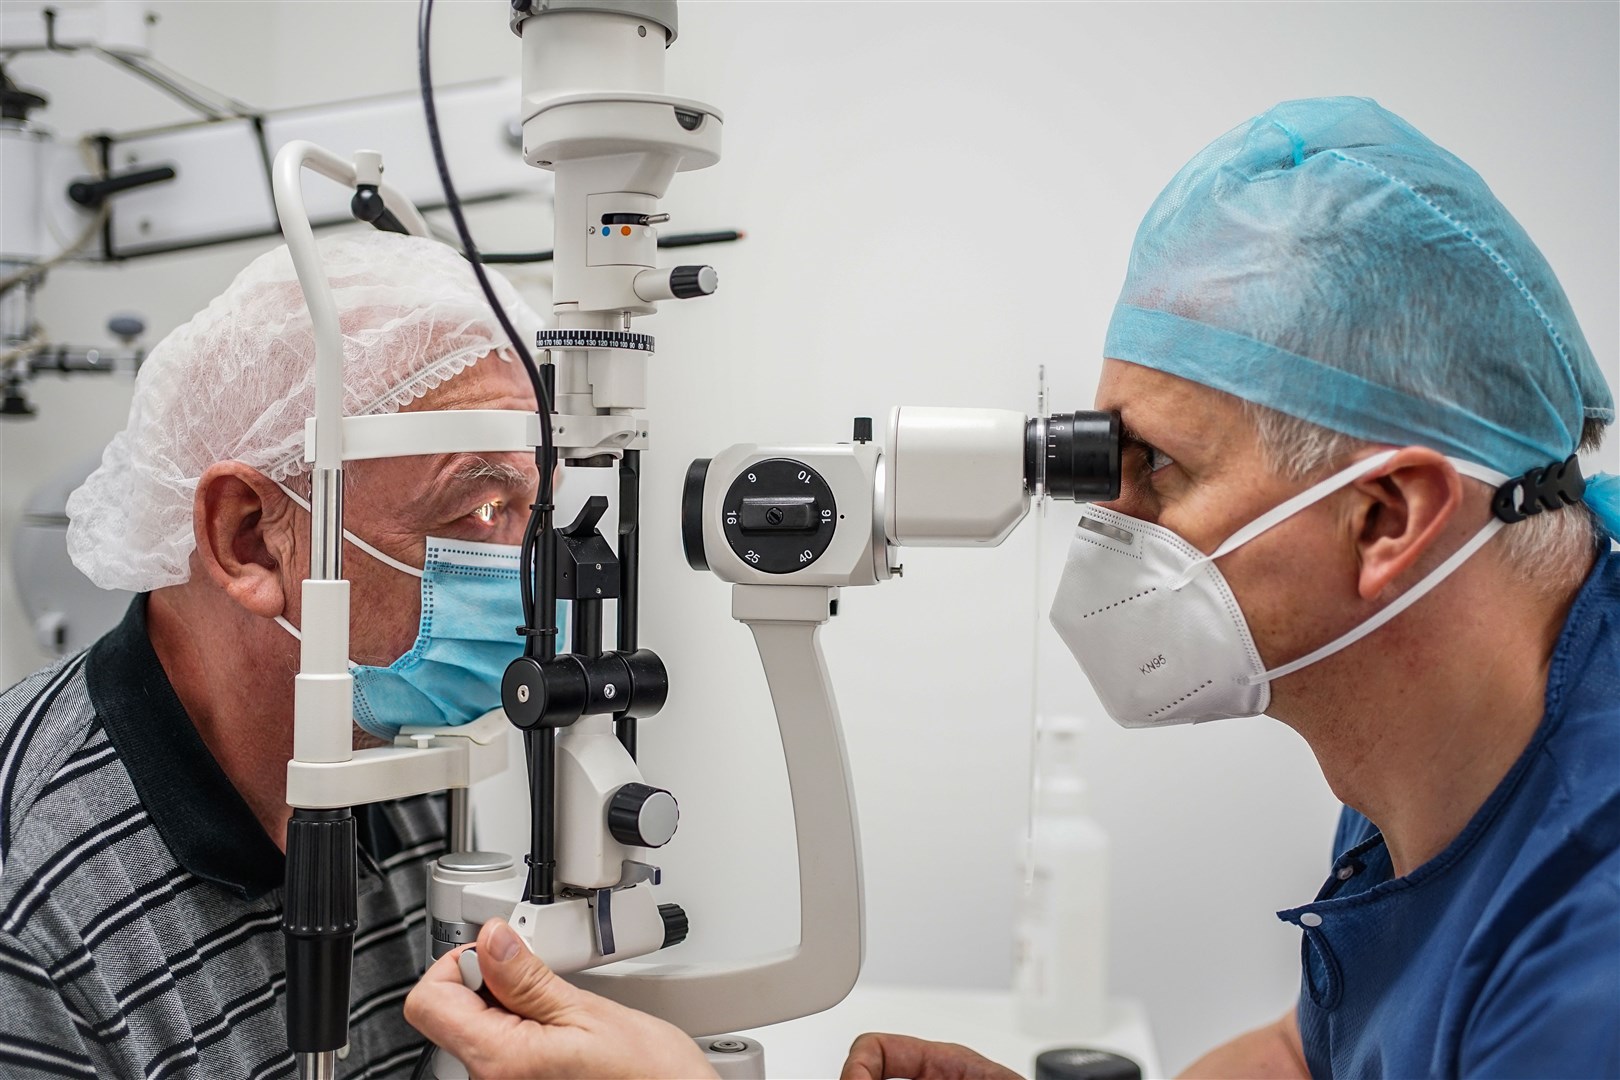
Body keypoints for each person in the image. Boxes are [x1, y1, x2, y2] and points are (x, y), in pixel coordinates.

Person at [403, 97, 1620, 1078]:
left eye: (1158, 469)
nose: (1107, 517)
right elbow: (1311, 1058)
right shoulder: (1453, 737)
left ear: (1386, 519)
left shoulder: (1589, 977)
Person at [0, 231, 546, 1077]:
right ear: (249, 538)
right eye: (477, 511)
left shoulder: (387, 760)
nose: (518, 580)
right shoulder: (32, 912)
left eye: (526, 517)